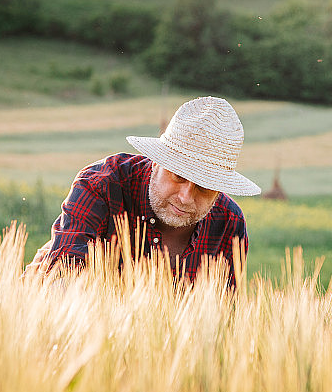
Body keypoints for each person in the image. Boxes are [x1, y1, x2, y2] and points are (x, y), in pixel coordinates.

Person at [28, 96, 261, 286]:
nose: (185, 197)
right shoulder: (101, 186)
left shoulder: (229, 223)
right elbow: (63, 275)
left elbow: (223, 318)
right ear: (157, 161)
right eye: (178, 176)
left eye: (204, 187)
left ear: (219, 190)